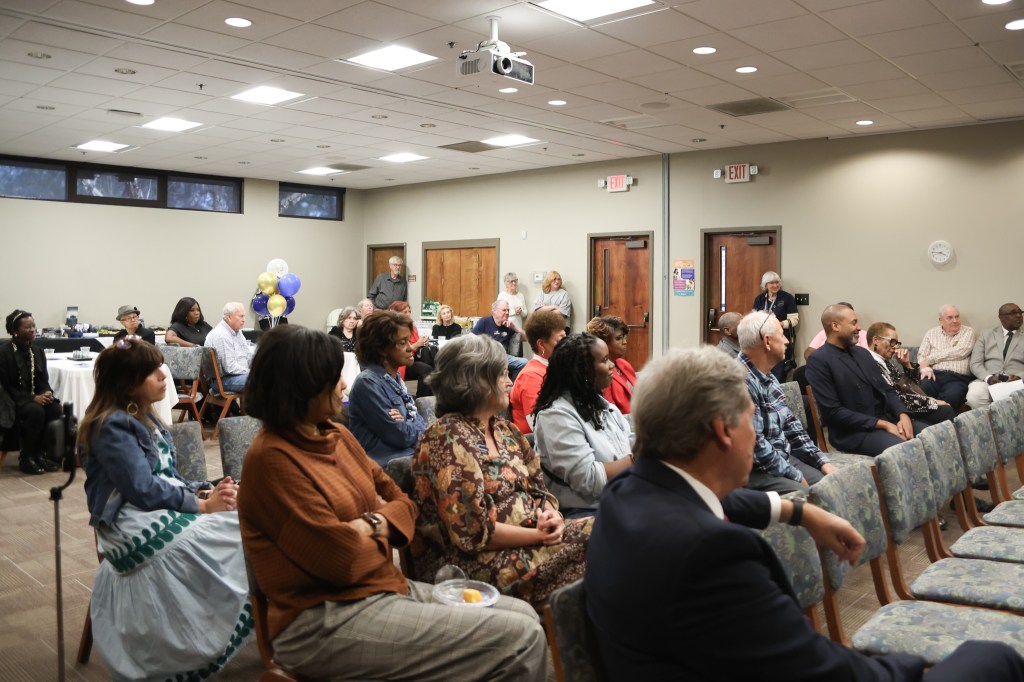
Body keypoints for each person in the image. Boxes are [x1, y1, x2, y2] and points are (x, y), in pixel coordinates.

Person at [584, 344, 1024, 682]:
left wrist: (799, 513)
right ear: (723, 431)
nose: (756, 436)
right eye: (750, 420)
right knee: (992, 658)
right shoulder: (710, 555)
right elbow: (824, 672)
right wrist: (913, 668)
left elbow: (715, 501)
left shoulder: (627, 493)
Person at [237, 326, 547, 681]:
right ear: (302, 387)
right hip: (321, 621)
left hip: (381, 587)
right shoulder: (272, 460)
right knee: (521, 637)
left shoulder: (336, 435)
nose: (343, 385)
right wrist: (383, 529)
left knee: (523, 615)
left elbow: (404, 504)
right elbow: (341, 562)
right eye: (333, 378)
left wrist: (369, 525)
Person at [80, 337, 248, 681]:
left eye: (161, 367)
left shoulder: (146, 418)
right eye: (152, 371)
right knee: (242, 532)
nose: (164, 375)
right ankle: (213, 626)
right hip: (128, 522)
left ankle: (218, 614)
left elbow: (168, 478)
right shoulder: (111, 425)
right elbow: (141, 489)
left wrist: (206, 488)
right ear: (128, 384)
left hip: (153, 507)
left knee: (243, 515)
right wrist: (202, 505)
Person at [412, 334, 591, 610]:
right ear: (477, 381)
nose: (510, 382)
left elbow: (539, 490)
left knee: (612, 527)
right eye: (502, 375)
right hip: (473, 566)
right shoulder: (447, 436)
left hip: (531, 539)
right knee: (603, 541)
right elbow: (472, 532)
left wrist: (551, 516)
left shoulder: (506, 430)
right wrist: (540, 535)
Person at [533, 333, 632, 517]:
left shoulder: (603, 406)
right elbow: (588, 479)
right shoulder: (555, 416)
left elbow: (629, 442)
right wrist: (638, 458)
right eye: (604, 360)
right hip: (584, 513)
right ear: (584, 371)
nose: (612, 365)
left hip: (620, 501)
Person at [805, 304, 925, 456]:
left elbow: (887, 390)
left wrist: (903, 414)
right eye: (854, 323)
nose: (859, 328)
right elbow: (833, 412)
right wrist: (883, 425)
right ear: (835, 326)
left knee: (932, 437)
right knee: (907, 451)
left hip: (886, 419)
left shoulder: (862, 353)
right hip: (854, 432)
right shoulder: (819, 361)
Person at [737, 311, 836, 494]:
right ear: (767, 341)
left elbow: (791, 425)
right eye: (782, 335)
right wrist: (794, 475)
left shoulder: (768, 376)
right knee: (808, 495)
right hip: (753, 469)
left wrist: (821, 462)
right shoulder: (739, 381)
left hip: (780, 457)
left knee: (831, 486)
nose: (786, 341)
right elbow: (754, 446)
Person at [348, 310, 427, 465]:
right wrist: (411, 427)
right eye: (402, 343)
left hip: (408, 455)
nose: (410, 348)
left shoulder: (395, 379)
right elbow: (400, 436)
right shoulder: (367, 383)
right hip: (384, 464)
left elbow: (417, 421)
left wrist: (406, 423)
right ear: (382, 349)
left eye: (409, 341)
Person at [0, 309, 61, 474]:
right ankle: (26, 457)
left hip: (35, 398)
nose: (33, 330)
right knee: (36, 411)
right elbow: (7, 387)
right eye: (28, 327)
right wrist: (33, 398)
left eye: (34, 326)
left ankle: (40, 454)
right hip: (11, 400)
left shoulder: (38, 351)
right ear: (15, 331)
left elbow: (44, 381)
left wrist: (47, 393)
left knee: (55, 409)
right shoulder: (4, 353)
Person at [866, 321, 957, 425]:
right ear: (876, 340)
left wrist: (907, 365)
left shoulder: (886, 362)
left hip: (905, 407)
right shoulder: (870, 364)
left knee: (945, 410)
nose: (895, 347)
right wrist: (933, 402)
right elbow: (896, 397)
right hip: (893, 413)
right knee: (945, 411)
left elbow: (912, 388)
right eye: (892, 342)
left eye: (896, 343)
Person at [510, 311, 566, 434]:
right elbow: (539, 425)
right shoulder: (531, 376)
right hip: (536, 442)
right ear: (541, 344)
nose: (566, 344)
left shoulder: (557, 368)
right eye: (560, 339)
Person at [966, 303, 1024, 409]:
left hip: (1018, 381)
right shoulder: (986, 335)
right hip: (988, 379)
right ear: (1001, 317)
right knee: (974, 396)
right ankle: (992, 419)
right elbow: (975, 363)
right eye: (1013, 313)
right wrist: (988, 378)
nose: (1018, 315)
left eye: (1020, 312)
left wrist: (1019, 377)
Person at [918, 304, 976, 409]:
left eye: (957, 316)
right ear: (941, 320)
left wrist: (930, 359)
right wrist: (925, 368)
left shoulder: (968, 331)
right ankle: (927, 418)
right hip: (934, 375)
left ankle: (941, 418)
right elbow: (922, 356)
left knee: (952, 396)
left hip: (958, 379)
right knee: (923, 391)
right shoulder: (931, 333)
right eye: (950, 317)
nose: (955, 320)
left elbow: (961, 351)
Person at [751, 271, 798, 382]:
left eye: (777, 282)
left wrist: (778, 323)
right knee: (762, 373)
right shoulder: (760, 299)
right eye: (771, 283)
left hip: (780, 340)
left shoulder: (787, 298)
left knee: (778, 374)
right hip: (762, 341)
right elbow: (753, 318)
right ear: (765, 285)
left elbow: (794, 320)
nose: (775, 285)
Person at [586, 316, 638, 414]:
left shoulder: (623, 364)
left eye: (624, 337)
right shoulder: (601, 371)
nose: (625, 342)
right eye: (619, 338)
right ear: (603, 342)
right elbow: (610, 412)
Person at [203, 302, 254, 394]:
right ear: (229, 317)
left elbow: (248, 356)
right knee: (260, 380)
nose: (244, 320)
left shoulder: (238, 332)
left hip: (238, 376)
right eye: (241, 316)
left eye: (244, 316)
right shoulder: (221, 335)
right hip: (222, 380)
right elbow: (230, 367)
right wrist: (252, 372)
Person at [471, 300, 528, 381]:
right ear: (494, 311)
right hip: (486, 356)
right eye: (504, 310)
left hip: (503, 356)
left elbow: (525, 338)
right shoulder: (485, 321)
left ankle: (511, 385)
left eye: (508, 310)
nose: (507, 312)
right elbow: (470, 337)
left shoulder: (508, 326)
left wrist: (514, 327)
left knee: (525, 362)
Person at [388, 300, 433, 397]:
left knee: (432, 363)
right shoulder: (392, 328)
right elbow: (398, 351)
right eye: (405, 312)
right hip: (399, 361)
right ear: (396, 313)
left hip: (411, 357)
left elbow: (415, 346)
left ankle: (429, 397)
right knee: (426, 370)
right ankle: (422, 399)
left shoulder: (412, 327)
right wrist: (417, 344)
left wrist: (423, 343)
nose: (408, 314)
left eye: (409, 311)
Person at [804, 300, 869, 359]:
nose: (859, 328)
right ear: (835, 325)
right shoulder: (823, 333)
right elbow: (809, 352)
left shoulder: (863, 335)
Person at [497, 272, 528, 356]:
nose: (514, 283)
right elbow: (499, 312)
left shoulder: (520, 295)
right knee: (505, 354)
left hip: (517, 330)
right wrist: (514, 311)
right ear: (506, 284)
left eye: (515, 281)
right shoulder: (502, 295)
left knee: (518, 355)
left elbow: (525, 314)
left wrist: (521, 311)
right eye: (511, 281)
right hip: (505, 329)